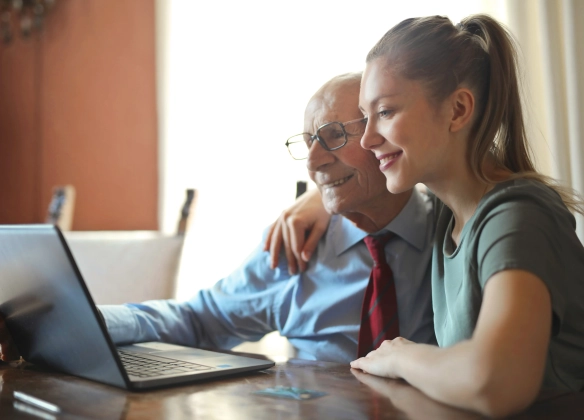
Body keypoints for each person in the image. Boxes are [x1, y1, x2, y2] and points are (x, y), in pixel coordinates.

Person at [0, 72, 436, 365]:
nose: (315, 162)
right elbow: (198, 320)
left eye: (335, 135)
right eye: (309, 142)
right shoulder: (293, 245)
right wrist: (83, 319)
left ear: (383, 134)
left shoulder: (456, 230)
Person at [269, 14, 584, 418]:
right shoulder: (447, 216)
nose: (367, 139)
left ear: (456, 110)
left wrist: (399, 356)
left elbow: (496, 382)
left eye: (384, 112)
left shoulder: (517, 218)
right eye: (365, 119)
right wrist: (322, 195)